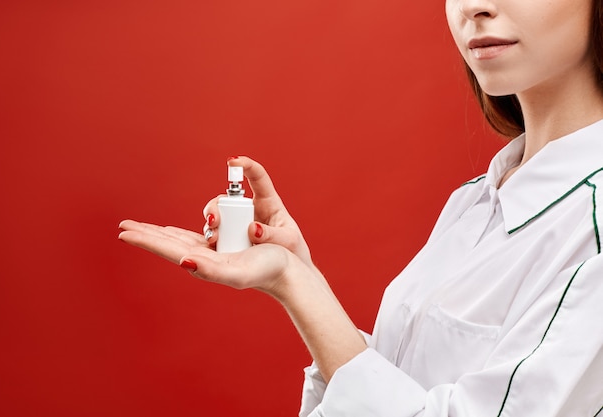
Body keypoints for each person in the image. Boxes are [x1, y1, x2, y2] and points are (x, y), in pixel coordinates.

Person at [118, 0, 603, 415]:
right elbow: (402, 387)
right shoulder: (477, 199)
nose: (474, 7)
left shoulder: (594, 222)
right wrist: (296, 277)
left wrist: (297, 286)